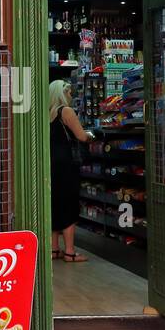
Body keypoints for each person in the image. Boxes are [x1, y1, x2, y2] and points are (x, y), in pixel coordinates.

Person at [48, 79, 95, 262]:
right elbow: (82, 136)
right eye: (68, 92)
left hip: (52, 164)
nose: (71, 96)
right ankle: (69, 251)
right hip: (67, 164)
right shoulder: (65, 111)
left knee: (55, 205)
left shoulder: (48, 114)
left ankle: (54, 250)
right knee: (69, 205)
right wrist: (91, 135)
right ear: (62, 93)